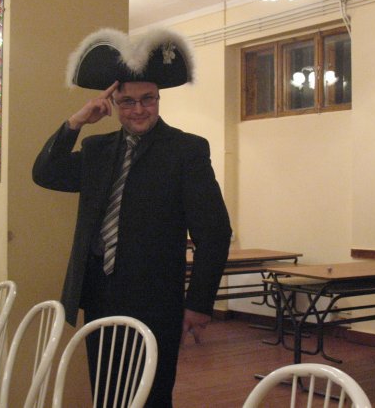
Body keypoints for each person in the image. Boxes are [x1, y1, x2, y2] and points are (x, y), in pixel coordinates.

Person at [32, 28, 231, 407]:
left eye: (147, 99)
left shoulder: (186, 151)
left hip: (156, 299)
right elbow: (46, 173)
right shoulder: (97, 149)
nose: (139, 110)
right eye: (127, 101)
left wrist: (198, 302)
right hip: (100, 293)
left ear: (157, 99)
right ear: (113, 103)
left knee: (151, 394)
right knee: (107, 391)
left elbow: (215, 233)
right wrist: (76, 122)